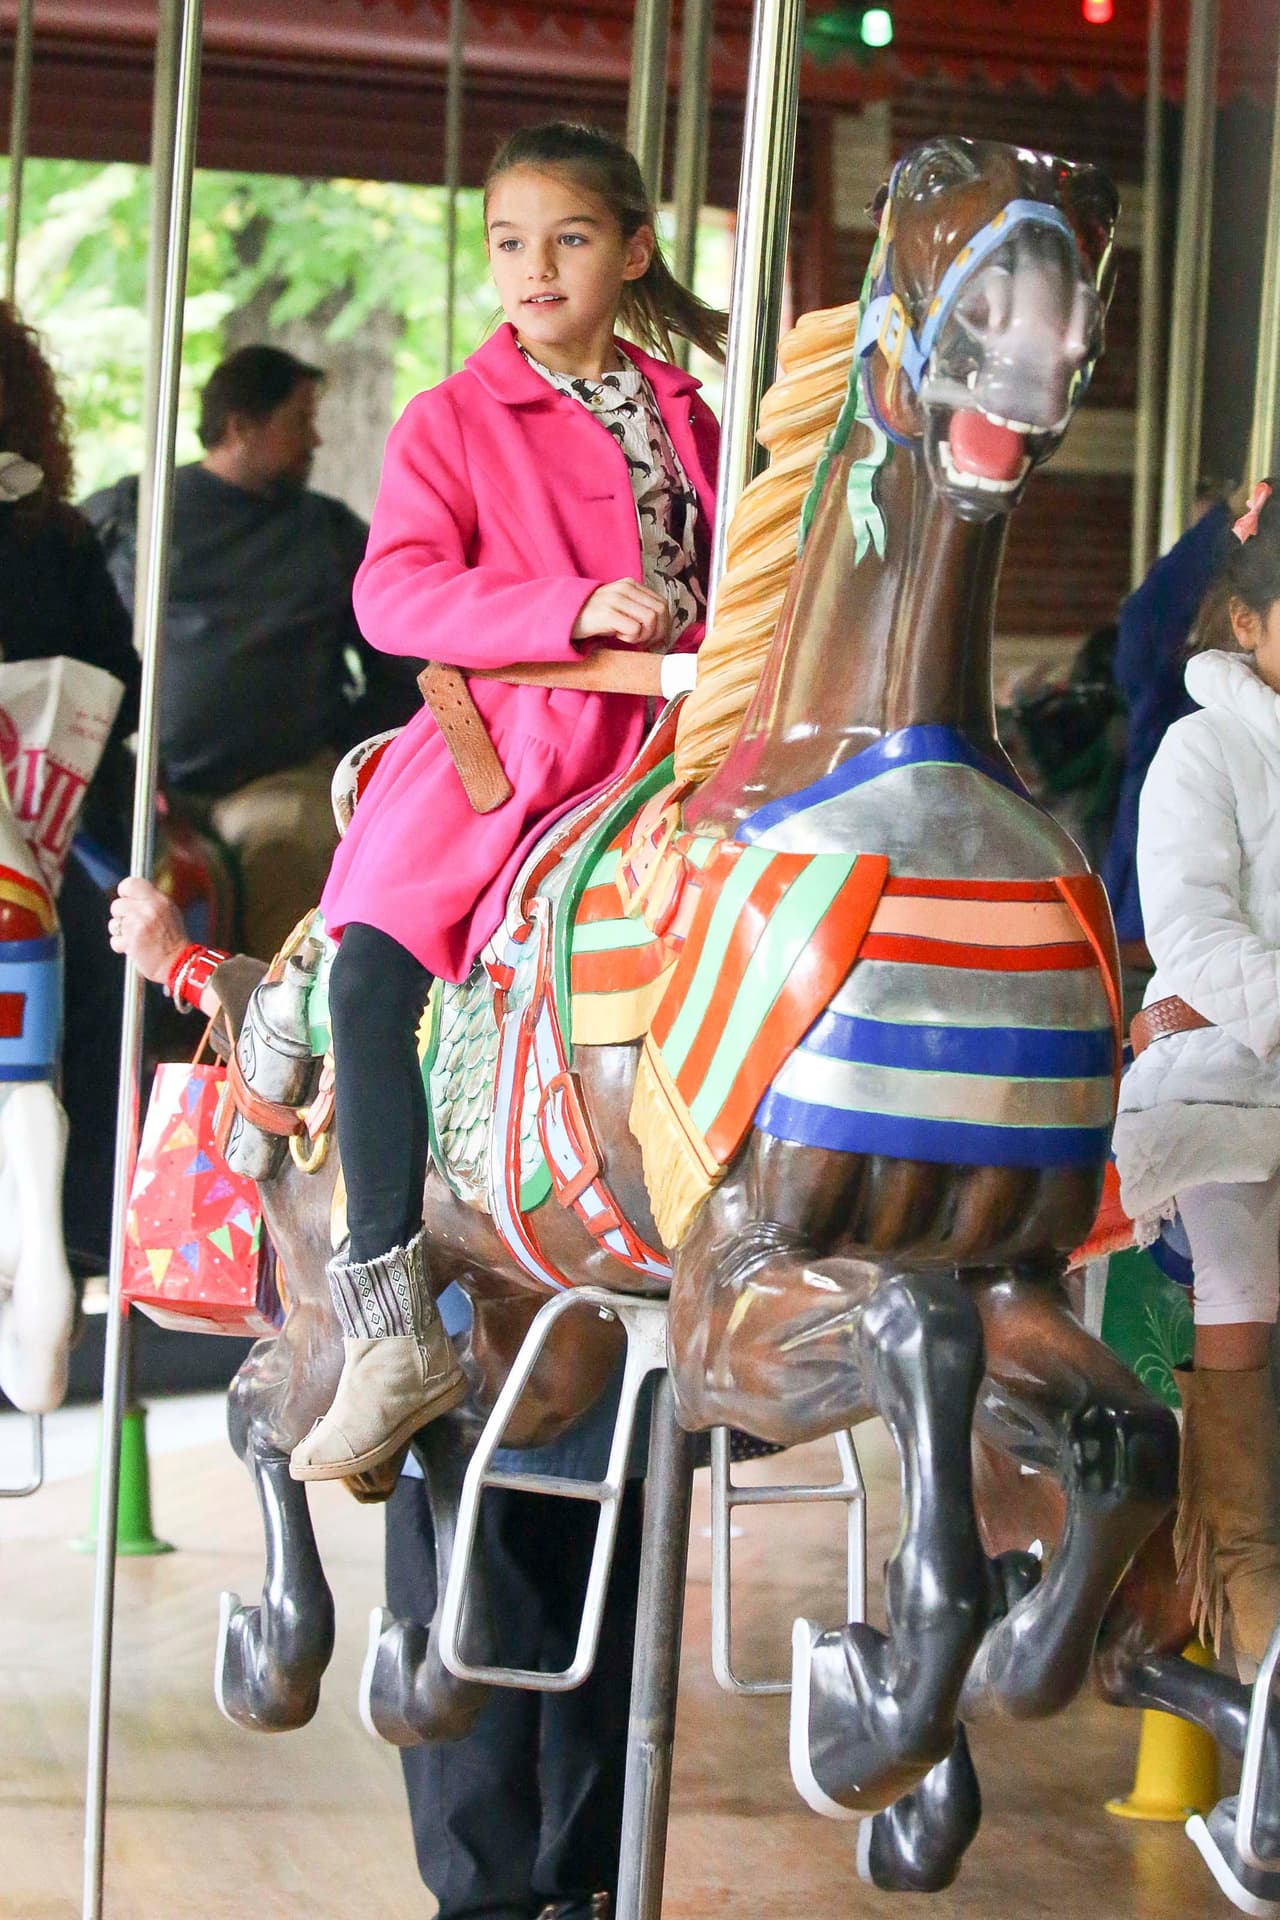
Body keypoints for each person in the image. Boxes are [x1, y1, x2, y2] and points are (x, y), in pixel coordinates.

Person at [278, 120, 722, 1486]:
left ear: (634, 250)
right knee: (368, 973)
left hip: (684, 736)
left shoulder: (694, 410)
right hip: (519, 740)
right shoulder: (452, 419)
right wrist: (573, 605)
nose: (533, 268)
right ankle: (390, 1317)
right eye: (509, 243)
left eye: (570, 239)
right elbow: (394, 593)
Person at [83, 344, 419, 959]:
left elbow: (399, 659)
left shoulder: (326, 534)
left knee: (283, 847)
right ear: (241, 426)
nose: (315, 440)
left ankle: (280, 1032)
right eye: (300, 420)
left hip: (277, 776)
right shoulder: (132, 515)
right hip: (148, 779)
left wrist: (338, 739)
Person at [1112, 478, 1280, 1670]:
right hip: (1229, 1073)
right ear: (1246, 625)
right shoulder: (1201, 749)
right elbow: (1196, 939)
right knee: (1238, 1277)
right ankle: (1243, 1575)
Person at [0, 301, 141, 1268]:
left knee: (113, 933)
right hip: (44, 810)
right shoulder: (48, 531)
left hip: (51, 806)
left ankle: (89, 1220)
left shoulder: (50, 531)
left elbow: (117, 681)